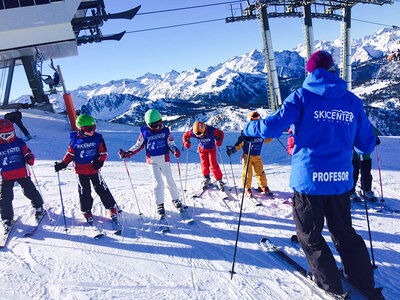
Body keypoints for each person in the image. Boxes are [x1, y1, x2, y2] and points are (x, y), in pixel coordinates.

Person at [242, 50, 383, 299]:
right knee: (344, 233)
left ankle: (330, 287)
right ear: (333, 70)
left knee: (310, 236)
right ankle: (364, 284)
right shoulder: (352, 101)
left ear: (309, 72)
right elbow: (366, 146)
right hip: (340, 183)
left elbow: (272, 127)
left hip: (309, 183)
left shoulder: (302, 96)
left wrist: (249, 126)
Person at [54, 114, 118, 224]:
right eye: (89, 129)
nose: (92, 131)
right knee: (85, 191)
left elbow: (103, 152)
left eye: (94, 128)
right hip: (81, 171)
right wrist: (63, 163)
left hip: (94, 169)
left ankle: (111, 207)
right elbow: (70, 154)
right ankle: (86, 210)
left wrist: (100, 161)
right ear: (81, 129)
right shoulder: (75, 140)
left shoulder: (98, 138)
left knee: (101, 188)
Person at [119, 109, 182, 217]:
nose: (158, 127)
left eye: (159, 124)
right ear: (148, 125)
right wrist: (128, 153)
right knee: (158, 183)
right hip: (152, 161)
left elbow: (171, 143)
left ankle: (175, 199)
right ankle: (160, 204)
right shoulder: (145, 132)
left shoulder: (165, 131)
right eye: (154, 126)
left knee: (169, 180)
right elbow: (138, 145)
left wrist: (175, 150)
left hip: (164, 160)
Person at [0, 119, 44, 233]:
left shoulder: (19, 142)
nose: (9, 137)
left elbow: (28, 152)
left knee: (29, 191)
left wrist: (29, 158)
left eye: (11, 134)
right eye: (5, 135)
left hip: (21, 172)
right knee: (5, 197)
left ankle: (39, 207)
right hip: (5, 175)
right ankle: (6, 218)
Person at [226, 112, 273, 197]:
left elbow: (267, 139)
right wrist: (232, 150)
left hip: (257, 156)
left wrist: (272, 134)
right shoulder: (246, 133)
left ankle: (263, 186)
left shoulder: (261, 133)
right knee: (248, 172)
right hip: (247, 156)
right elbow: (240, 143)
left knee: (260, 172)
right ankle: (247, 188)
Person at [183, 121, 225, 191]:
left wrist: (219, 140)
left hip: (211, 148)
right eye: (199, 136)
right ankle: (206, 178)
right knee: (204, 164)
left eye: (202, 135)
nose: (201, 136)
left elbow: (221, 133)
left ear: (205, 129)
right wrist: (186, 142)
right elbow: (185, 135)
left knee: (213, 164)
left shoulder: (211, 130)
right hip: (202, 149)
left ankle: (219, 180)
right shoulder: (194, 132)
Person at [350, 131, 381, 203]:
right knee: (354, 174)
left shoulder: (366, 123)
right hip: (354, 156)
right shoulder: (352, 122)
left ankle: (366, 190)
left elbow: (373, 132)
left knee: (366, 174)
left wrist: (375, 139)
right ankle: (351, 191)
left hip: (366, 155)